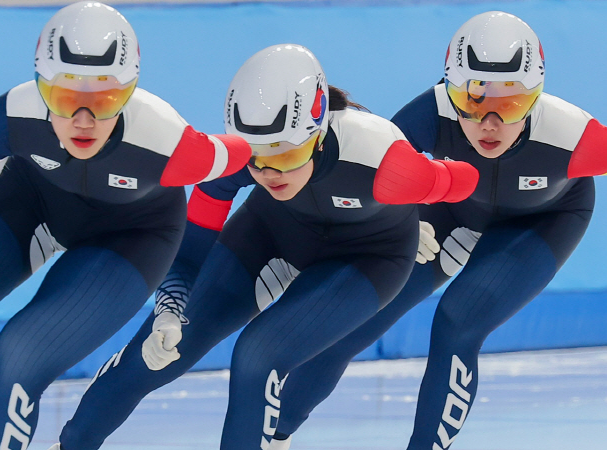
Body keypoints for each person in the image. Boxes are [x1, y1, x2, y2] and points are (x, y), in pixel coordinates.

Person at [47, 43, 479, 450]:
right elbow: (191, 249)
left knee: (260, 353)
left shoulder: (379, 153)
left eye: (286, 156)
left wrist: (419, 200)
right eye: (257, 157)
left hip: (369, 255)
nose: (270, 170)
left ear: (319, 133)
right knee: (151, 355)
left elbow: (466, 179)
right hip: (271, 236)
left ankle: (277, 436)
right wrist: (169, 308)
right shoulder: (232, 158)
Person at [0, 2, 250, 449]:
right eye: (65, 98)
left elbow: (249, 150)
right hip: (31, 204)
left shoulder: (171, 142)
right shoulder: (10, 116)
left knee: (19, 356)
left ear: (129, 93)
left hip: (130, 237)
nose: (83, 121)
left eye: (105, 100)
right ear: (40, 87)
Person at [259, 11, 607, 450]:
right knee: (357, 320)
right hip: (452, 212)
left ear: (536, 97)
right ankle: (271, 438)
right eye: (473, 100)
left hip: (543, 222)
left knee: (457, 321)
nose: (490, 122)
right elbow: (367, 175)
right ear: (449, 91)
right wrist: (397, 219)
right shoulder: (429, 113)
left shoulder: (573, 135)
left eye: (512, 103)